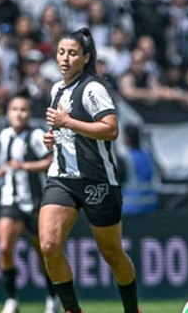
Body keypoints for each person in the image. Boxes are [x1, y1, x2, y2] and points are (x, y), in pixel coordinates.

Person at [40, 27, 141, 313]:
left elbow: (110, 129)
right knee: (48, 245)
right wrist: (53, 137)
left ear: (85, 58)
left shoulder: (93, 88)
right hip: (61, 179)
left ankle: (132, 310)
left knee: (112, 252)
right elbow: (63, 129)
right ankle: (73, 310)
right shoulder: (55, 89)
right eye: (61, 52)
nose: (65, 59)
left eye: (72, 53)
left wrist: (67, 123)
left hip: (97, 180)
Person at [0, 93, 60, 313]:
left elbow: (52, 161)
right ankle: (11, 300)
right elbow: (9, 164)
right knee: (5, 247)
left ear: (29, 113)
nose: (19, 114)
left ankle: (52, 297)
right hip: (11, 200)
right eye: (14, 109)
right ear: (7, 113)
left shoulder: (36, 135)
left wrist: (25, 167)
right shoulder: (4, 135)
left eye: (23, 109)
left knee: (44, 252)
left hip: (35, 202)